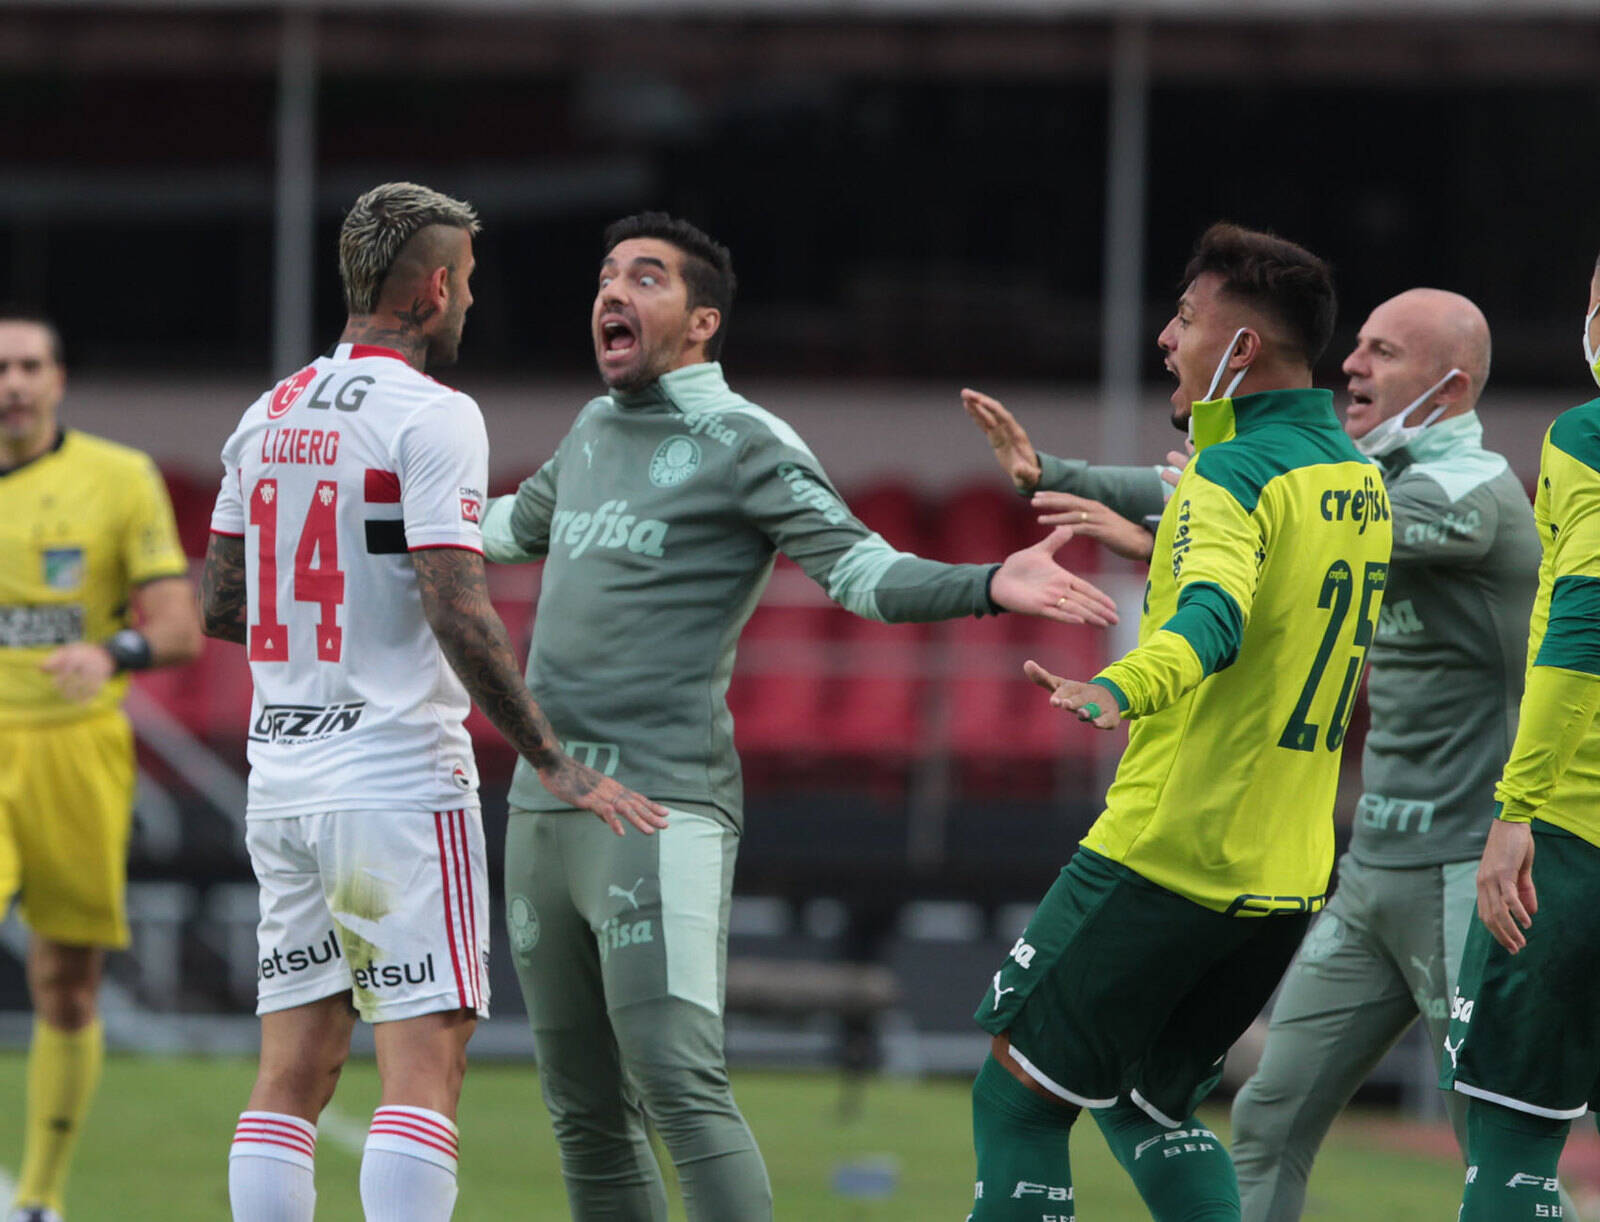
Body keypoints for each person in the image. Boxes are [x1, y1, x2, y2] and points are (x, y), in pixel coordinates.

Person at [480, 211, 1118, 1222]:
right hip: (542, 802)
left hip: (659, 804)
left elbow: (861, 573)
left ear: (700, 323)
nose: (611, 291)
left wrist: (991, 579)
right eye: (604, 275)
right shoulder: (591, 431)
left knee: (679, 1088)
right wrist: (368, 507)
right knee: (581, 1108)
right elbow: (495, 529)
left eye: (643, 278)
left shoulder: (746, 440)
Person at [965, 288, 1553, 1219]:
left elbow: (1270, 534)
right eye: (1355, 344)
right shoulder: (1357, 476)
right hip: (1361, 861)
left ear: (1450, 387)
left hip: (1469, 858)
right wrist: (1063, 476)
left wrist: (1154, 583)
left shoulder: (1467, 496)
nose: (1354, 365)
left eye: (1384, 352)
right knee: (1260, 1112)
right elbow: (1257, 510)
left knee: (1494, 1131)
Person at [200, 183, 668, 1222]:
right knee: (426, 1063)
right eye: (467, 287)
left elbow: (223, 605)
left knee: (293, 1070)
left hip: (281, 773)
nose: (467, 308)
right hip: (394, 780)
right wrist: (550, 755)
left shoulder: (264, 413)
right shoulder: (436, 415)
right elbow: (459, 610)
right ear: (438, 285)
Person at [968, 223, 1390, 1222]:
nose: (1167, 337)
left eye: (1187, 319)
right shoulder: (1354, 477)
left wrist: (1118, 688)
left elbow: (1213, 618)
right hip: (1286, 869)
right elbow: (1262, 584)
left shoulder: (1229, 474)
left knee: (1016, 1095)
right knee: (1145, 1100)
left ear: (1240, 350)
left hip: (1172, 846)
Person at [0, 308, 202, 1222]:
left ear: (58, 379)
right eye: (0, 367)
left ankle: (39, 1197)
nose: (12, 383)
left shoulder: (119, 479)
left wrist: (110, 652)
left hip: (76, 748)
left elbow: (177, 628)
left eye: (29, 365)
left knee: (66, 981)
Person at [1439, 253, 1600, 1222]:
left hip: (1576, 830)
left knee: (1509, 1143)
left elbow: (1584, 622)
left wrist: (1517, 809)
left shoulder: (1586, 435)